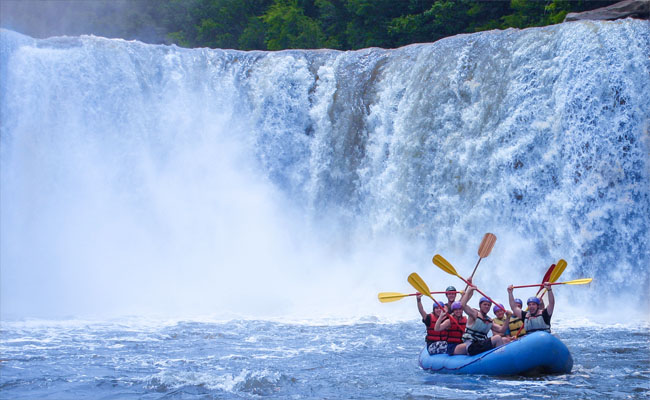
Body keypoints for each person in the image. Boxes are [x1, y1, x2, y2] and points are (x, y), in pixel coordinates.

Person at [454, 285, 513, 356]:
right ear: (480, 305)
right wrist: (469, 291)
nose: (487, 306)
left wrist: (508, 318)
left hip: (481, 344)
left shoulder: (489, 320)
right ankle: (501, 358)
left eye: (488, 305)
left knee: (505, 340)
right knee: (497, 338)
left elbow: (502, 330)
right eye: (485, 304)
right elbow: (463, 305)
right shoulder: (474, 313)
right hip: (472, 345)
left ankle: (503, 357)